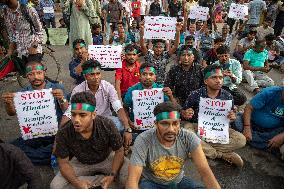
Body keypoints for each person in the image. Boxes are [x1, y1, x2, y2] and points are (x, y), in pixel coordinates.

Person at [126, 102, 221, 189]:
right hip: (152, 182)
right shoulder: (143, 140)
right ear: (156, 124)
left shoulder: (189, 137)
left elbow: (205, 172)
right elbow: (133, 179)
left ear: (179, 123)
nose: (171, 129)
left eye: (175, 123)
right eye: (164, 124)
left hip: (178, 181)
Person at [50, 92, 129, 189]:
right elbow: (63, 163)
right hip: (80, 162)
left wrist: (112, 175)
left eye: (82, 115)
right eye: (73, 115)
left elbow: (119, 151)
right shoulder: (64, 131)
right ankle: (99, 181)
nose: (76, 120)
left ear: (93, 115)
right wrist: (76, 183)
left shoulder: (107, 124)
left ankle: (99, 181)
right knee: (55, 186)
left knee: (129, 176)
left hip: (107, 158)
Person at [2, 61, 68, 165]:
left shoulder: (57, 88)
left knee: (59, 147)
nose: (35, 77)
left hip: (56, 133)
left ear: (44, 73)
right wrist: (8, 103)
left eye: (38, 73)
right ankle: (40, 156)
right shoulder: (23, 93)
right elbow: (12, 113)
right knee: (7, 148)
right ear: (27, 76)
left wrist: (62, 98)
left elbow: (67, 111)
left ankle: (21, 157)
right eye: (31, 74)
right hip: (34, 133)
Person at [182, 64, 246, 167]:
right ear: (205, 81)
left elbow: (229, 119)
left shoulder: (228, 96)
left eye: (220, 77)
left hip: (219, 131)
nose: (218, 80)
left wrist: (232, 117)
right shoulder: (195, 94)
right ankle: (221, 155)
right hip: (197, 127)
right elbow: (184, 113)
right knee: (186, 132)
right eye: (214, 77)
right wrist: (186, 113)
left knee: (241, 140)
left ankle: (198, 148)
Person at [62, 59, 133, 152]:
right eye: (92, 74)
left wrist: (128, 129)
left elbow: (118, 108)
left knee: (120, 124)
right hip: (86, 122)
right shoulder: (78, 90)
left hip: (105, 120)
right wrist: (61, 135)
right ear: (85, 76)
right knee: (72, 127)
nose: (96, 77)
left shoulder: (108, 87)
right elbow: (69, 113)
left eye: (98, 73)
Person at [123, 63, 177, 135]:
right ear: (139, 76)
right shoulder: (132, 91)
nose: (148, 77)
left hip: (158, 127)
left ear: (155, 77)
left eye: (151, 74)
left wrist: (171, 96)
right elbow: (125, 108)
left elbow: (173, 108)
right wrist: (129, 121)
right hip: (137, 127)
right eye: (144, 74)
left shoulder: (161, 90)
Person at [233, 86, 284, 159]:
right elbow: (249, 107)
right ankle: (263, 144)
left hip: (272, 130)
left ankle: (253, 140)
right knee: (236, 121)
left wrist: (282, 136)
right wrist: (247, 127)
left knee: (278, 136)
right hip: (251, 123)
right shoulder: (270, 92)